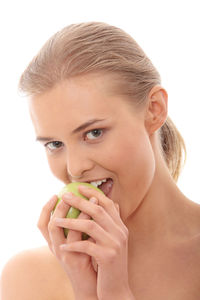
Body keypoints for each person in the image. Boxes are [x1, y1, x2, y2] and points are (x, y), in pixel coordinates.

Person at [1, 21, 200, 300]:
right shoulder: (27, 278)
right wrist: (85, 287)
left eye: (93, 133)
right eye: (55, 144)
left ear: (154, 110)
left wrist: (116, 292)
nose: (74, 168)